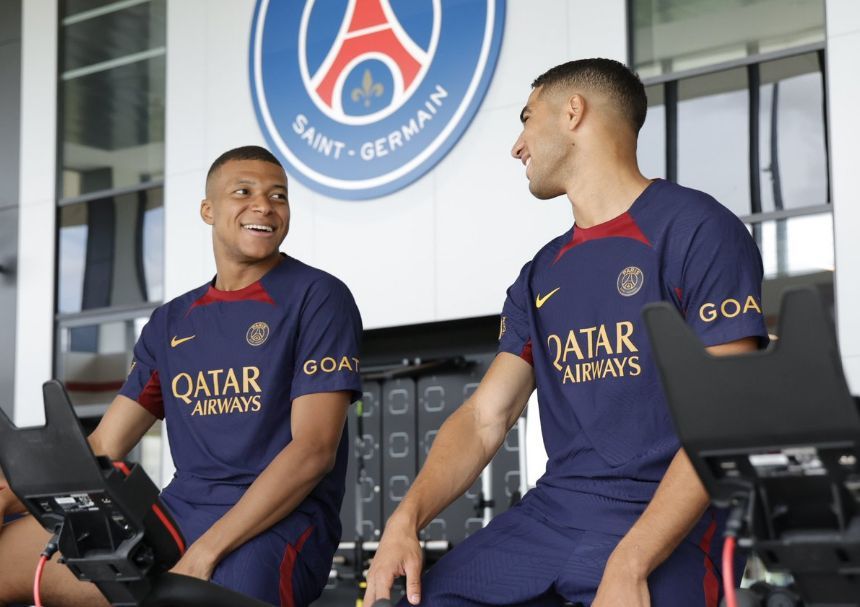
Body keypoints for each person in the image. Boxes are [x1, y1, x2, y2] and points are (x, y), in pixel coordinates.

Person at [364, 58, 767, 607]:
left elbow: (728, 412)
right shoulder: (541, 273)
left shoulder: (699, 230)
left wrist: (631, 560)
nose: (518, 146)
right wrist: (404, 520)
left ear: (573, 112)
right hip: (554, 515)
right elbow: (487, 417)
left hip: (667, 518)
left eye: (528, 118)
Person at [0, 145, 363, 607]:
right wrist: (9, 499)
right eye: (244, 192)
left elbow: (313, 451)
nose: (264, 206)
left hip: (276, 523)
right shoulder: (171, 322)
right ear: (208, 210)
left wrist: (204, 553)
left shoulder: (318, 297)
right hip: (176, 514)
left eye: (279, 196)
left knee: (194, 596)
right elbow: (103, 447)